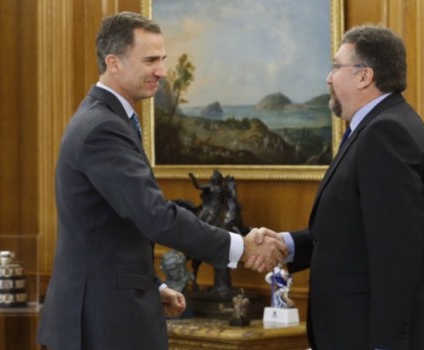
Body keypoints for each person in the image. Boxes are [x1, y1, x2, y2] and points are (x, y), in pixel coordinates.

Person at [36, 12, 286, 350]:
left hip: (110, 312)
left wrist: (152, 287)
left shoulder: (109, 119)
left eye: (163, 60)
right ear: (114, 63)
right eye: (151, 60)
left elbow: (112, 229)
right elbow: (154, 215)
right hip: (99, 323)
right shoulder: (102, 128)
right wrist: (241, 247)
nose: (163, 72)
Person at [246, 25, 424, 350]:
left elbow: (396, 251)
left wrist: (386, 344)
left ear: (364, 76)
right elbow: (356, 230)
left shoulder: (386, 133)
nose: (328, 78)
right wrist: (288, 244)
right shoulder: (375, 128)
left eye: (336, 66)